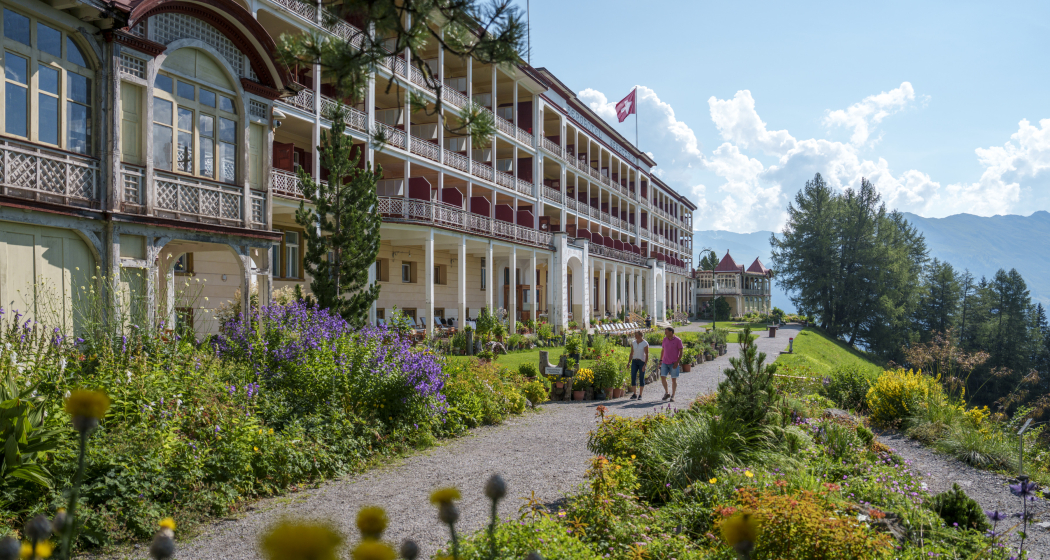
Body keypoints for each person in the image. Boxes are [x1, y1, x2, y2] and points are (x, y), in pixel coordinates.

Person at [660, 327, 683, 402]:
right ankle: (667, 392)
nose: (665, 333)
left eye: (666, 332)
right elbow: (663, 350)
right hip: (665, 362)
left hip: (674, 363)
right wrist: (661, 360)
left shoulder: (678, 340)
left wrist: (677, 362)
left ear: (671, 332)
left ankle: (673, 395)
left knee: (673, 379)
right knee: (663, 377)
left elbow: (681, 352)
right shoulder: (664, 339)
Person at [627, 331, 649, 400]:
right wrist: (629, 362)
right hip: (634, 361)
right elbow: (631, 353)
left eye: (636, 335)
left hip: (641, 362)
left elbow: (647, 354)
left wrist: (645, 364)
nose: (635, 336)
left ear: (640, 335)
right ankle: (634, 394)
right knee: (633, 376)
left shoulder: (645, 343)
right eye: (635, 335)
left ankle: (640, 395)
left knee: (641, 377)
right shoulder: (633, 342)